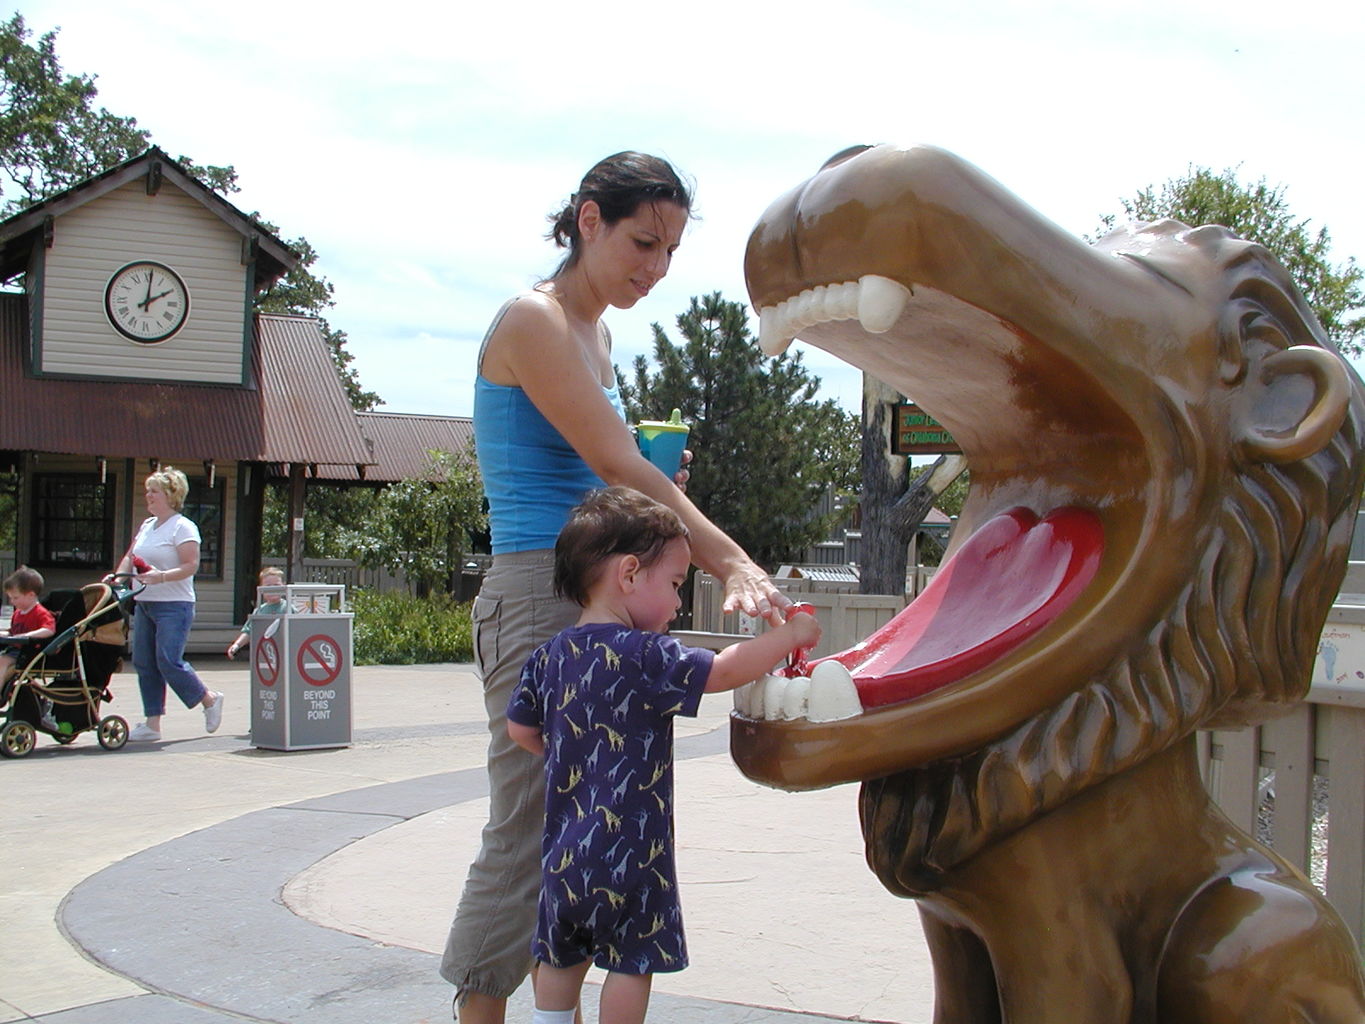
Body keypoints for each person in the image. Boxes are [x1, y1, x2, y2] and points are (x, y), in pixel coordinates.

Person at [441, 151, 791, 1023]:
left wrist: (655, 480)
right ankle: (478, 1011)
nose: (655, 268)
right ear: (587, 219)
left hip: (588, 591)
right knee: (531, 827)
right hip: (536, 596)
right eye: (642, 242)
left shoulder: (594, 335)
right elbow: (610, 460)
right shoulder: (536, 319)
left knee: (592, 822)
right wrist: (728, 559)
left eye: (670, 250)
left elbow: (615, 472)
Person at [508, 488, 820, 1024]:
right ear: (629, 574)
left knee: (560, 956)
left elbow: (520, 729)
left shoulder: (548, 657)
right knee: (632, 962)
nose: (678, 603)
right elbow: (722, 669)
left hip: (563, 854)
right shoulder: (645, 656)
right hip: (634, 855)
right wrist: (792, 634)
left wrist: (568, 751)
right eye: (675, 584)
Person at [110, 466, 222, 742]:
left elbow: (190, 565)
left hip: (175, 604)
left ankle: (208, 699)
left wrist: (159, 577)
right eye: (147, 491)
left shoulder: (183, 527)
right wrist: (117, 575)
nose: (148, 496)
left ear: (171, 496)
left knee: (168, 660)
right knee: (144, 661)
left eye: (154, 492)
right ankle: (152, 724)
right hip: (145, 602)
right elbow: (130, 556)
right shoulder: (147, 526)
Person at [0, 565, 57, 708]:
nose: (12, 601)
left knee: (2, 662)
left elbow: (49, 629)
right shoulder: (18, 613)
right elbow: (13, 633)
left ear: (31, 595)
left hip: (29, 652)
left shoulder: (40, 612)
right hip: (15, 649)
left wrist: (27, 636)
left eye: (15, 597)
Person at [226, 567, 288, 659]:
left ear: (283, 586)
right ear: (261, 589)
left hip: (285, 651)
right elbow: (248, 631)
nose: (272, 589)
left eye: (276, 585)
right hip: (264, 652)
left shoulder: (288, 608)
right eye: (268, 586)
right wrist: (237, 645)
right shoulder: (259, 610)